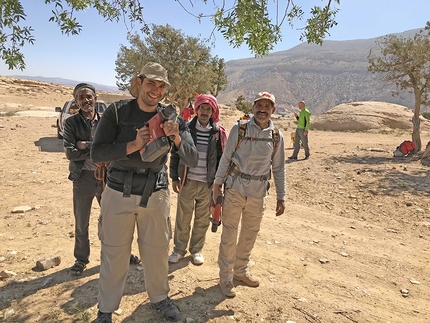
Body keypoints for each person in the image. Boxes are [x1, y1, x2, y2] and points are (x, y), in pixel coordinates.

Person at [90, 62, 198, 323]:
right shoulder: (117, 112)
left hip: (156, 194)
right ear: (139, 82)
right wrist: (134, 144)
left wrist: (177, 138)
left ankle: (160, 299)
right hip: (117, 193)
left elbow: (192, 159)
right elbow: (97, 152)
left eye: (161, 86)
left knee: (157, 252)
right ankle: (106, 309)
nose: (156, 91)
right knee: (114, 253)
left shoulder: (174, 119)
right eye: (151, 83)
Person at [212, 91, 286, 298]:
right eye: (259, 106)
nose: (262, 110)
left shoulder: (275, 135)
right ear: (253, 107)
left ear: (273, 110)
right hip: (235, 189)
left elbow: (279, 168)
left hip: (258, 193)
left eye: (267, 106)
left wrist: (282, 196)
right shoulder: (240, 128)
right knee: (229, 234)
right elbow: (226, 158)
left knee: (249, 234)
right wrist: (217, 184)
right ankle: (225, 278)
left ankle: (240, 271)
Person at [63, 83, 140, 276]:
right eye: (80, 97)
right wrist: (97, 149)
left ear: (95, 98)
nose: (85, 100)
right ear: (76, 101)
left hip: (109, 176)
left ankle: (123, 253)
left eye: (88, 96)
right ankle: (81, 259)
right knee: (82, 221)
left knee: (114, 220)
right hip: (83, 179)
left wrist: (86, 146)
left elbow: (114, 147)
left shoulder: (106, 121)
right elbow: (71, 153)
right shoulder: (72, 123)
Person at [168, 94, 228, 265]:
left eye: (208, 109)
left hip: (207, 184)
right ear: (197, 109)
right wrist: (174, 177)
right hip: (187, 181)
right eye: (202, 108)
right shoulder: (186, 129)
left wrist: (219, 184)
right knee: (183, 218)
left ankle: (196, 250)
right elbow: (176, 154)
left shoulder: (217, 133)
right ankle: (179, 250)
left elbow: (221, 159)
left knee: (202, 219)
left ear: (213, 112)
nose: (205, 112)